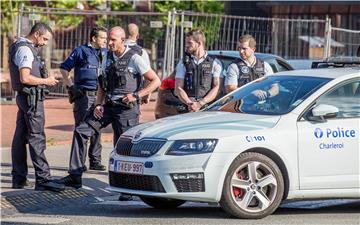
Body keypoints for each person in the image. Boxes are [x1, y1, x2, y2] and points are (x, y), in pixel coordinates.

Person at [57, 26, 160, 192]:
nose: (109, 42)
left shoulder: (134, 58)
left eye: (113, 40)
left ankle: (127, 187)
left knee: (124, 146)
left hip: (127, 109)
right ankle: (75, 175)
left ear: (122, 40)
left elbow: (155, 81)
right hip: (108, 106)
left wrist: (137, 95)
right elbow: (102, 85)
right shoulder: (106, 57)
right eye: (108, 39)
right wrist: (98, 104)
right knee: (81, 130)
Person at [9, 22, 65, 192]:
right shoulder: (25, 49)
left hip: (25, 98)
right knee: (37, 137)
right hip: (31, 99)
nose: (45, 43)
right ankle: (43, 179)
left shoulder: (21, 45)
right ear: (37, 34)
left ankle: (19, 178)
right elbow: (25, 77)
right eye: (45, 39)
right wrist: (46, 81)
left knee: (20, 138)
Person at [60, 26, 108, 171]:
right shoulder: (80, 51)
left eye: (106, 38)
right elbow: (64, 68)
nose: (105, 41)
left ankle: (95, 160)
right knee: (82, 128)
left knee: (97, 128)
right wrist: (71, 87)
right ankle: (79, 164)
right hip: (84, 96)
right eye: (102, 38)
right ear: (94, 38)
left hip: (100, 95)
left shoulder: (106, 52)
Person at [175, 29, 222, 112]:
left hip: (207, 108)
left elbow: (216, 87)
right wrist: (190, 103)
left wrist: (200, 103)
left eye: (190, 43)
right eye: (186, 43)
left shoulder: (214, 62)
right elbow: (178, 87)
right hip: (188, 107)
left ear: (199, 43)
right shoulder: (183, 62)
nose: (186, 45)